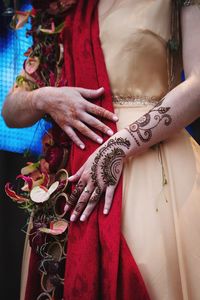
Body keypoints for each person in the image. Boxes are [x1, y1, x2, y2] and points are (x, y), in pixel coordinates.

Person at [2, 0, 200, 299]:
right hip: (70, 178)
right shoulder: (64, 6)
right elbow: (11, 111)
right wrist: (44, 98)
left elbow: (198, 88)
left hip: (151, 164)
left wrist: (119, 147)